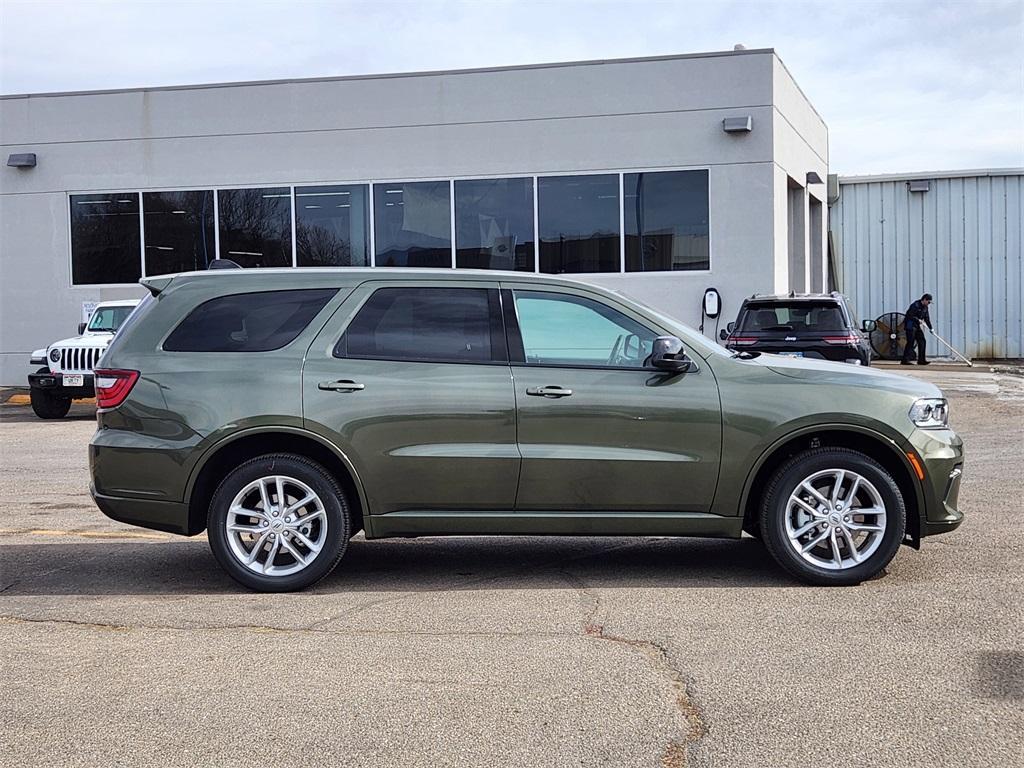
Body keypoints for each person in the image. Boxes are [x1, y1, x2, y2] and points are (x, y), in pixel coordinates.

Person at [901, 293, 933, 365]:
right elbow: (910, 315)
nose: (929, 304)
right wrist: (917, 319)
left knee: (922, 341)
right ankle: (905, 360)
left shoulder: (925, 307)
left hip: (917, 326)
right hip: (910, 325)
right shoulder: (915, 305)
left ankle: (921, 360)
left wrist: (931, 328)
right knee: (910, 342)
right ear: (924, 300)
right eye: (928, 302)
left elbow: (927, 318)